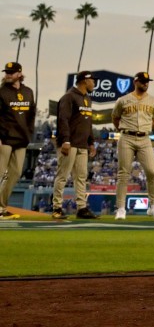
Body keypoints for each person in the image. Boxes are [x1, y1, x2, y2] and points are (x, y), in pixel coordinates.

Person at [110, 71, 154, 220]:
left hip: (144, 138)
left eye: (147, 81)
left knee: (152, 171)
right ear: (135, 82)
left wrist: (145, 129)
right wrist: (122, 129)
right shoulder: (123, 100)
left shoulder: (153, 101)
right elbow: (115, 118)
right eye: (142, 81)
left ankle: (153, 206)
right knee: (123, 173)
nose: (145, 83)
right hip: (127, 136)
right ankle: (121, 208)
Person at [52, 72, 97, 219]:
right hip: (69, 143)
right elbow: (63, 119)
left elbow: (88, 123)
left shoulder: (87, 99)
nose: (94, 84)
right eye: (93, 81)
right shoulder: (69, 97)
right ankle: (57, 208)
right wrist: (65, 140)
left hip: (82, 144)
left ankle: (81, 208)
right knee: (63, 176)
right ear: (85, 81)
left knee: (81, 177)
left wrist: (91, 142)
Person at [0, 62, 36, 219]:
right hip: (4, 138)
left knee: (15, 173)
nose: (8, 75)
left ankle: (1, 207)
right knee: (0, 173)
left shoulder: (28, 92)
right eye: (7, 72)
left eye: (11, 72)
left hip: (21, 139)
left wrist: (29, 133)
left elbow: (31, 114)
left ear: (19, 74)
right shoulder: (1, 92)